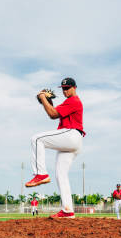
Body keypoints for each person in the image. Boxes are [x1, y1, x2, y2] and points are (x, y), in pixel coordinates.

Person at [26, 77, 84, 219]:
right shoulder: (67, 102)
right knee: (61, 175)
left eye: (67, 88)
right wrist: (47, 101)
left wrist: (42, 97)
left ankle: (41, 174)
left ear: (74, 88)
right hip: (72, 141)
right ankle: (67, 210)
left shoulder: (73, 101)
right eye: (63, 88)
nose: (65, 91)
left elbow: (52, 115)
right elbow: (52, 110)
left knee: (37, 139)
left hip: (71, 135)